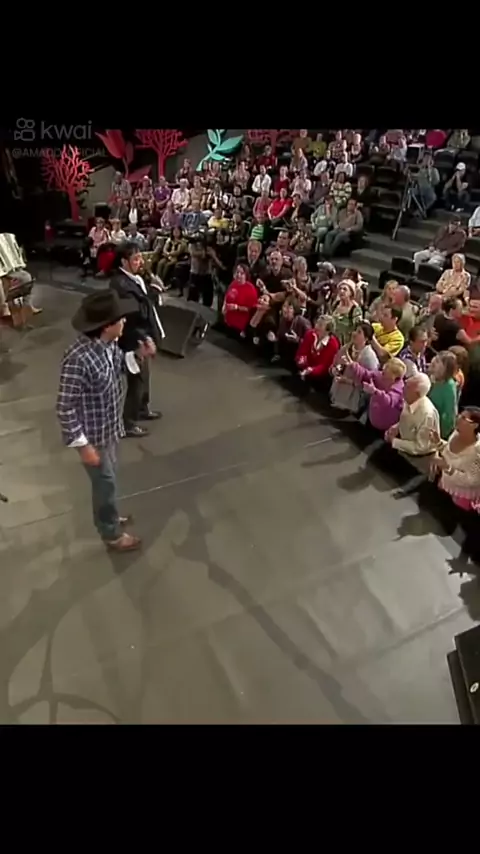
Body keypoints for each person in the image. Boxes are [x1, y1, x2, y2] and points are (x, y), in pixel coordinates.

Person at [56, 290, 142, 552]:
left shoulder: (108, 345)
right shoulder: (78, 358)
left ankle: (111, 516)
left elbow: (118, 365)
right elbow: (65, 407)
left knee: (109, 480)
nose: (124, 322)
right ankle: (111, 533)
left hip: (109, 430)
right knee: (105, 486)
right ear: (106, 326)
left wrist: (137, 354)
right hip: (93, 439)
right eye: (120, 319)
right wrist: (83, 446)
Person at [110, 242, 164, 438]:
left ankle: (142, 408)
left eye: (140, 258)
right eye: (135, 259)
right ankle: (128, 423)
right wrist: (154, 292)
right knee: (137, 381)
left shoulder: (135, 278)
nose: (140, 262)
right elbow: (136, 311)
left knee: (144, 376)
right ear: (124, 261)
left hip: (144, 334)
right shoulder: (120, 284)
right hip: (133, 339)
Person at [430, 407, 480, 562]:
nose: (458, 418)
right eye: (460, 415)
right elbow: (448, 453)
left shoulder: (477, 452)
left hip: (462, 497)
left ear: (475, 425)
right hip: (446, 486)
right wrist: (438, 443)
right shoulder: (455, 434)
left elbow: (472, 480)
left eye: (464, 418)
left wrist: (447, 468)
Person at [385, 373, 441, 456]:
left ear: (417, 394)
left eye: (407, 387)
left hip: (418, 458)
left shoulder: (427, 415)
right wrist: (397, 427)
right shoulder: (409, 399)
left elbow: (420, 447)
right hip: (404, 447)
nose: (403, 388)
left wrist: (394, 441)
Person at [330, 321, 379, 413]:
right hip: (338, 391)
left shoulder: (369, 356)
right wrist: (336, 370)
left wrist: (350, 381)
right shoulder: (346, 348)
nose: (354, 333)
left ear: (366, 338)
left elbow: (371, 379)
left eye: (359, 332)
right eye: (355, 330)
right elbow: (335, 363)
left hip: (355, 397)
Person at [346, 358, 406, 431]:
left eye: (387, 368)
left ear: (394, 376)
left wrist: (375, 392)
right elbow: (366, 374)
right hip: (372, 420)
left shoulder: (399, 388)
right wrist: (353, 366)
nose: (384, 369)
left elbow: (389, 401)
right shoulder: (381, 375)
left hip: (386, 429)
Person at [295, 314, 340, 387]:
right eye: (317, 323)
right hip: (303, 370)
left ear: (328, 330)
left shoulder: (333, 344)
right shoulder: (310, 334)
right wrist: (301, 361)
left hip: (320, 378)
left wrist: (311, 370)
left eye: (320, 325)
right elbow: (301, 353)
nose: (316, 326)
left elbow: (324, 365)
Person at [428, 351, 458, 439]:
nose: (433, 361)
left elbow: (449, 415)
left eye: (438, 361)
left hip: (437, 431)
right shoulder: (431, 378)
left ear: (446, 369)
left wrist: (440, 435)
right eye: (435, 358)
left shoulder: (449, 386)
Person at [222, 264, 258, 336]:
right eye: (237, 272)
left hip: (239, 325)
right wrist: (224, 305)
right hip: (227, 321)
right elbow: (227, 295)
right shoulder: (233, 283)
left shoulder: (250, 289)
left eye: (241, 273)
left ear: (246, 275)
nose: (238, 275)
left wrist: (237, 307)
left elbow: (251, 309)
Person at [331, 280, 363, 345]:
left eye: (345, 289)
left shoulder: (355, 309)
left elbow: (358, 328)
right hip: (332, 340)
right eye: (340, 289)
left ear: (351, 292)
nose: (341, 291)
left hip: (346, 343)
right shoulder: (336, 304)